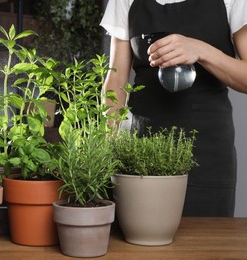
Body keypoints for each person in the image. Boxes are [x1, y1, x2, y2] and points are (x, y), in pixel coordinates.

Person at [100, 0, 247, 217]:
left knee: (208, 244)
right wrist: (107, 146)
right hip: (140, 152)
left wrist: (201, 50)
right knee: (139, 244)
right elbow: (116, 79)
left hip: (208, 154)